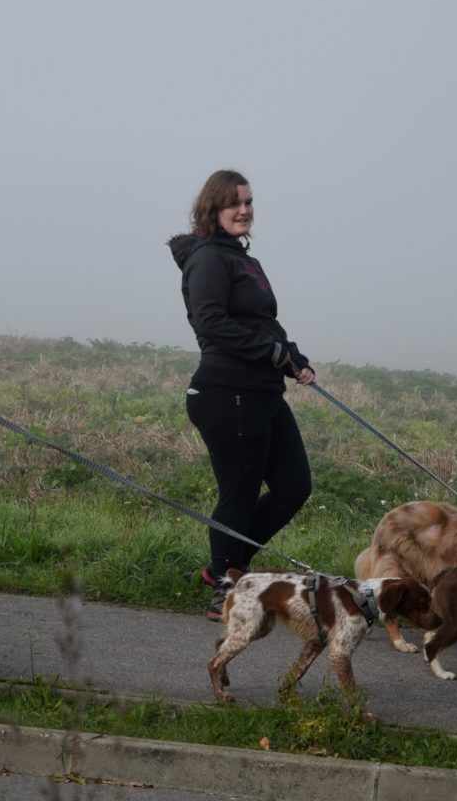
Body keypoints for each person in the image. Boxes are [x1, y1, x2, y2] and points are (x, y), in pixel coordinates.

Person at [169, 170, 314, 620]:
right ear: (212, 209)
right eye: (234, 203)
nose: (245, 210)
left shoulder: (242, 258)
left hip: (263, 391)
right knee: (239, 492)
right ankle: (226, 588)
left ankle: (226, 568)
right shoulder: (210, 258)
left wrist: (291, 356)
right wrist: (268, 351)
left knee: (294, 486)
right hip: (225, 391)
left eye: (249, 202)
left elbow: (263, 324)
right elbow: (209, 322)